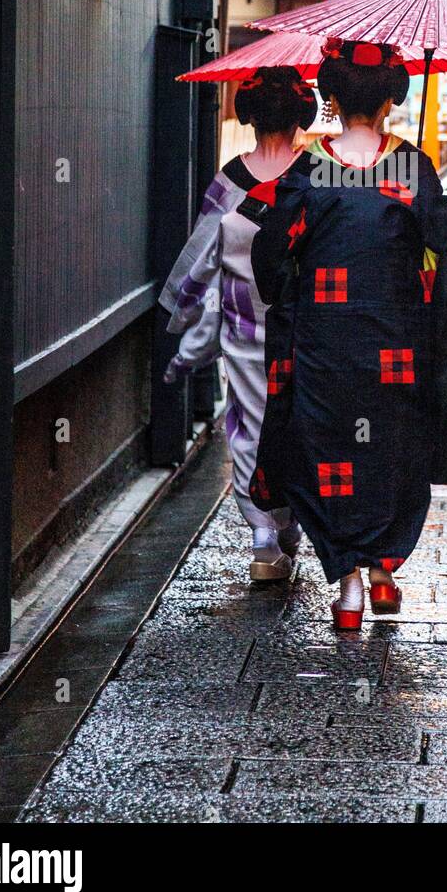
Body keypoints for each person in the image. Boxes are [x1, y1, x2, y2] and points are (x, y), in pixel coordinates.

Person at [247, 39, 447, 630]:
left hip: (324, 342)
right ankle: (383, 574)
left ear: (327, 95)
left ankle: (348, 585)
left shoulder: (312, 166)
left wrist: (288, 284)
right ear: (391, 100)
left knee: (327, 454)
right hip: (395, 343)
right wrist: (433, 245)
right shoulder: (409, 165)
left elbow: (273, 247)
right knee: (392, 453)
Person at [160, 67, 318, 582]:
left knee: (249, 423)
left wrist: (182, 313)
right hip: (305, 322)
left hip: (245, 321)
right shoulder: (317, 172)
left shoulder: (232, 178)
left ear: (249, 118)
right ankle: (292, 516)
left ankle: (263, 536)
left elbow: (200, 254)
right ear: (303, 117)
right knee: (300, 422)